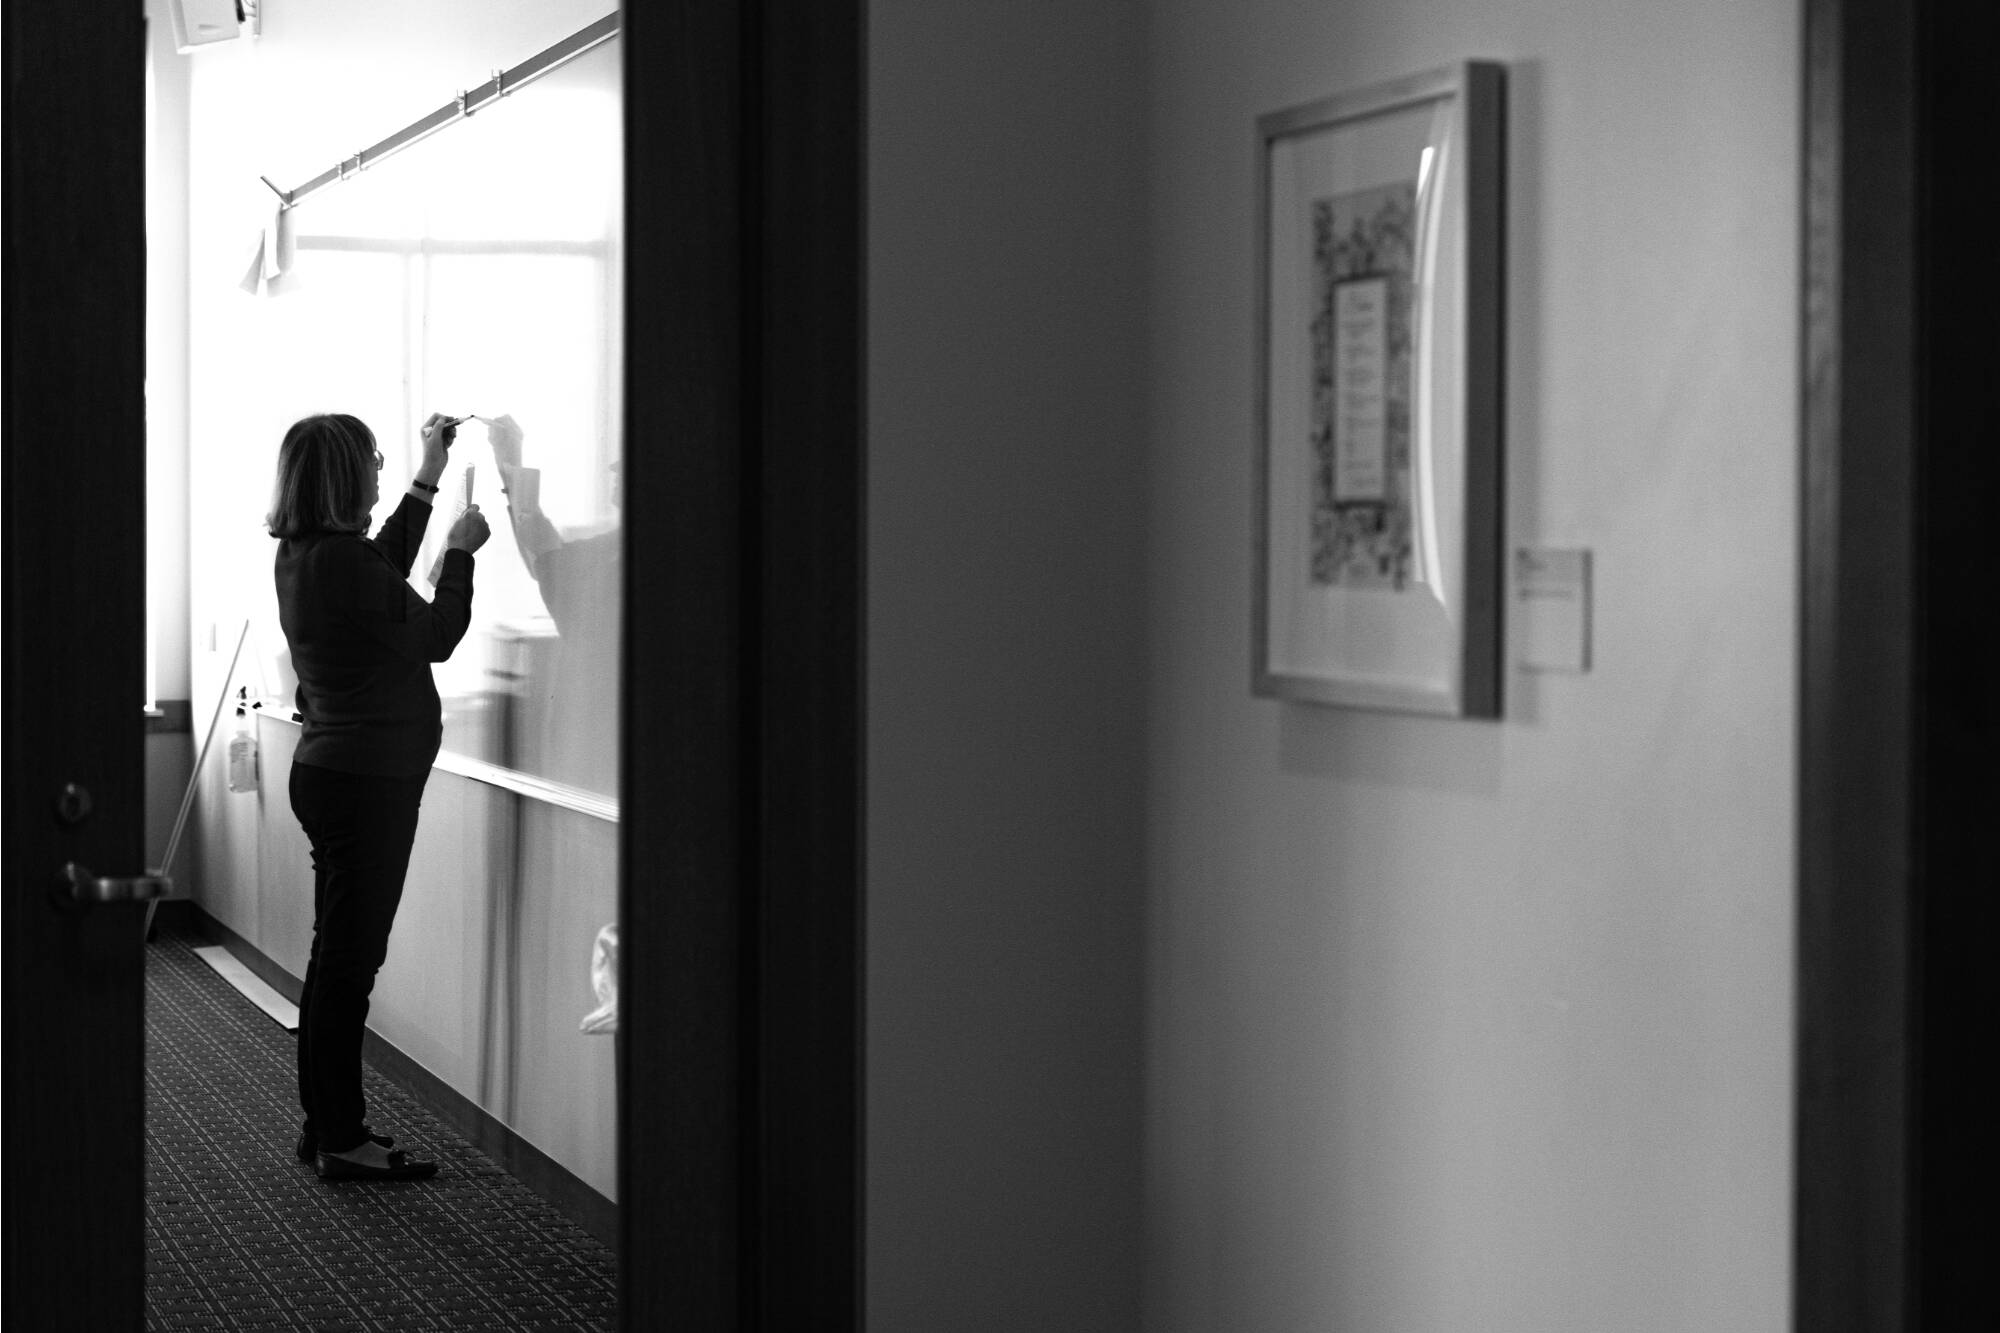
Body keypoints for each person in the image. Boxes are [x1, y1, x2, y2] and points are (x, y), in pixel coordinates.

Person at [267, 411, 490, 1180]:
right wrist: (459, 553)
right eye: (372, 457)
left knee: (335, 958)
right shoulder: (338, 563)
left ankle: (326, 1122)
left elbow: (383, 566)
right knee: (348, 966)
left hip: (334, 775)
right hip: (367, 786)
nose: (380, 463)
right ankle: (342, 1136)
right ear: (341, 475)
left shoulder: (307, 556)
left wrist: (427, 478)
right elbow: (437, 634)